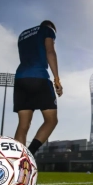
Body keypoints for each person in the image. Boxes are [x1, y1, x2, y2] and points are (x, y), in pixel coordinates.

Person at [13, 20, 63, 156]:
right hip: (38, 77)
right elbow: (50, 52)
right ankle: (30, 153)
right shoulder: (48, 30)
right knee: (51, 120)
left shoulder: (23, 35)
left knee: (23, 125)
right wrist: (57, 79)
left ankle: (18, 160)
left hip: (20, 79)